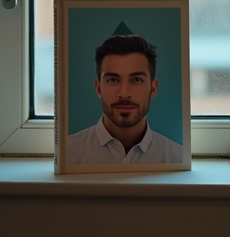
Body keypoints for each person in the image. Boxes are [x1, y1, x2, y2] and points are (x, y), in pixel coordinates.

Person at [66, 34, 183, 165]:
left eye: (136, 80)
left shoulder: (177, 158)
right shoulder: (67, 154)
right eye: (113, 80)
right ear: (98, 88)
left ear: (153, 88)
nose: (124, 93)